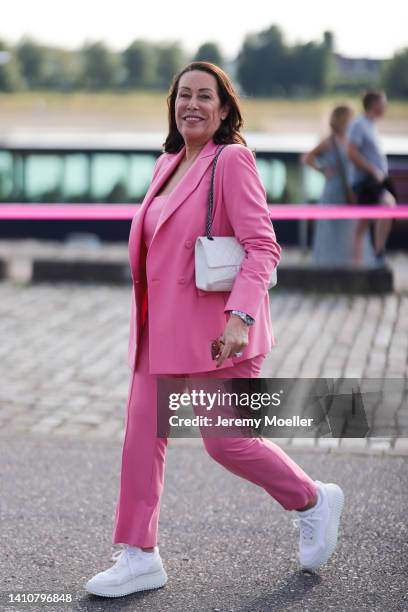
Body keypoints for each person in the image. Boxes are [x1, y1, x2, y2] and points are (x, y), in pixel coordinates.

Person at [84, 61, 344, 598]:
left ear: (224, 109)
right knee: (140, 437)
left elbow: (264, 246)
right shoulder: (168, 163)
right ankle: (139, 555)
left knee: (226, 442)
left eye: (205, 96)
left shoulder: (232, 161)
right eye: (184, 95)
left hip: (221, 332)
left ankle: (313, 499)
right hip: (158, 332)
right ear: (173, 104)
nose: (193, 105)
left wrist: (241, 317)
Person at [302, 105, 374, 266]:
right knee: (332, 229)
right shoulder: (330, 141)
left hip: (350, 190)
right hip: (334, 191)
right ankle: (330, 264)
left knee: (350, 228)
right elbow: (307, 158)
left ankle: (352, 263)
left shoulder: (351, 141)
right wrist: (323, 170)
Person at [347, 89, 397, 266]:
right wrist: (373, 170)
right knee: (388, 204)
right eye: (383, 103)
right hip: (367, 181)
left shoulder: (369, 124)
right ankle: (378, 253)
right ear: (374, 104)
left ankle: (357, 264)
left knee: (363, 223)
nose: (385, 107)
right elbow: (351, 153)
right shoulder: (359, 124)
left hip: (373, 180)